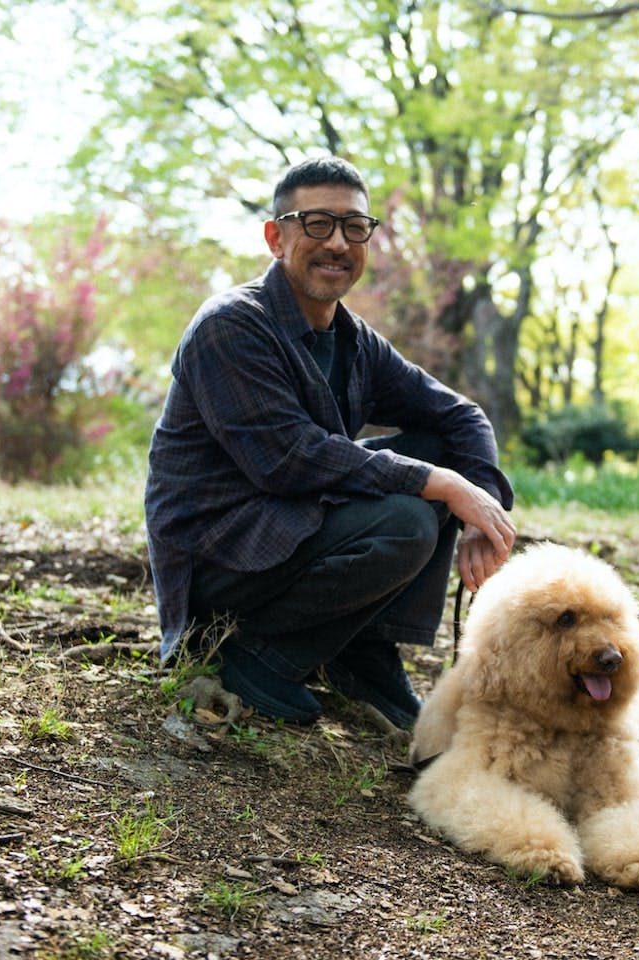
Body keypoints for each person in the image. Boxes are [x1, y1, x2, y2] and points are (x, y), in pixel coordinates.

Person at [144, 155, 517, 729]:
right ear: (275, 237)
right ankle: (257, 655)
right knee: (408, 516)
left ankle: (362, 647)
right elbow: (288, 459)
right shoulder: (232, 325)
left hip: (289, 533)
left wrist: (478, 510)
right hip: (221, 558)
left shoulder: (353, 340)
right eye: (317, 224)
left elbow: (461, 417)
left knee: (437, 454)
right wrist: (439, 484)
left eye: (355, 226)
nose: (338, 242)